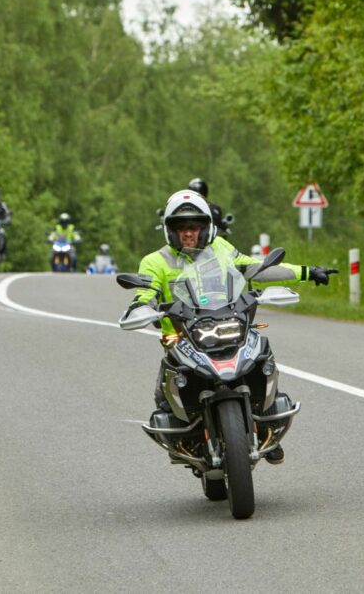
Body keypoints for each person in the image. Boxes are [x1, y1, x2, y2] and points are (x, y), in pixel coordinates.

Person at [123, 189, 337, 464]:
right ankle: (181, 435)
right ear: (169, 230)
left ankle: (265, 425)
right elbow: (146, 289)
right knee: (165, 389)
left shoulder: (221, 250)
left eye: (195, 227)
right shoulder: (155, 261)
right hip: (182, 336)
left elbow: (255, 269)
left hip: (228, 325)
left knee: (261, 354)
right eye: (181, 228)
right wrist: (140, 304)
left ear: (206, 228)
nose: (188, 234)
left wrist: (307, 271)